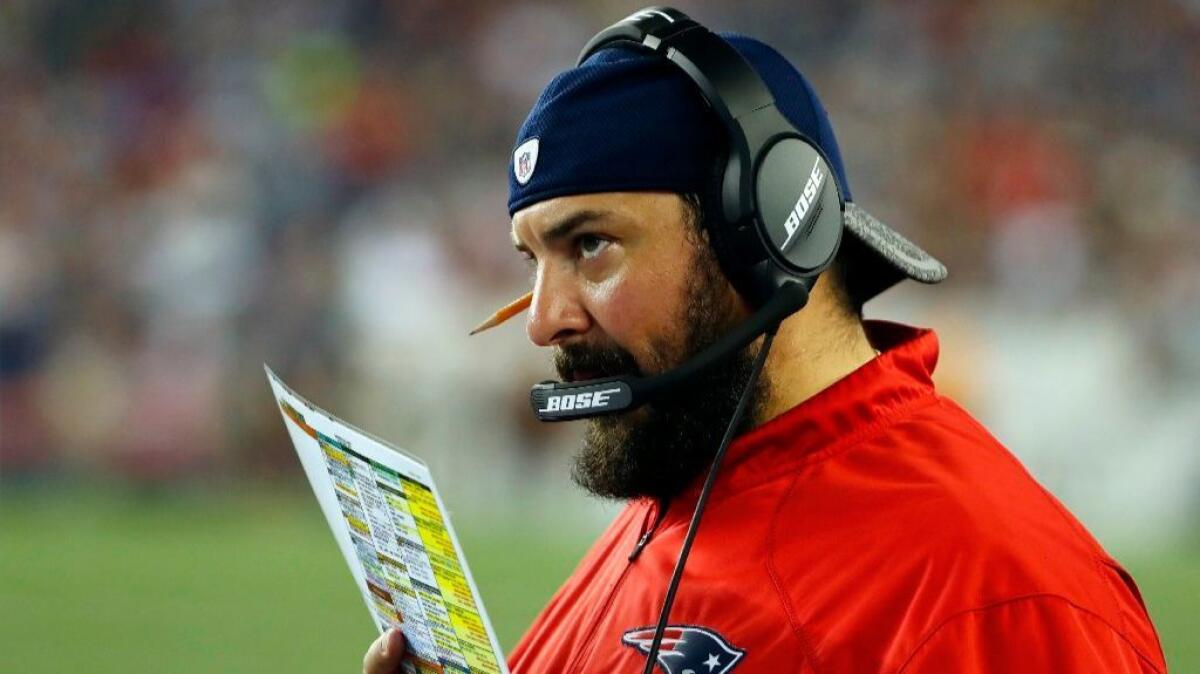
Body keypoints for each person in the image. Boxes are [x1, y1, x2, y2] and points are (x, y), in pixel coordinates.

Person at [366, 9, 1166, 674]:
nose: (543, 320)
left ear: (767, 233)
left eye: (591, 246)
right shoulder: (670, 514)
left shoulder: (997, 596)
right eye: (532, 260)